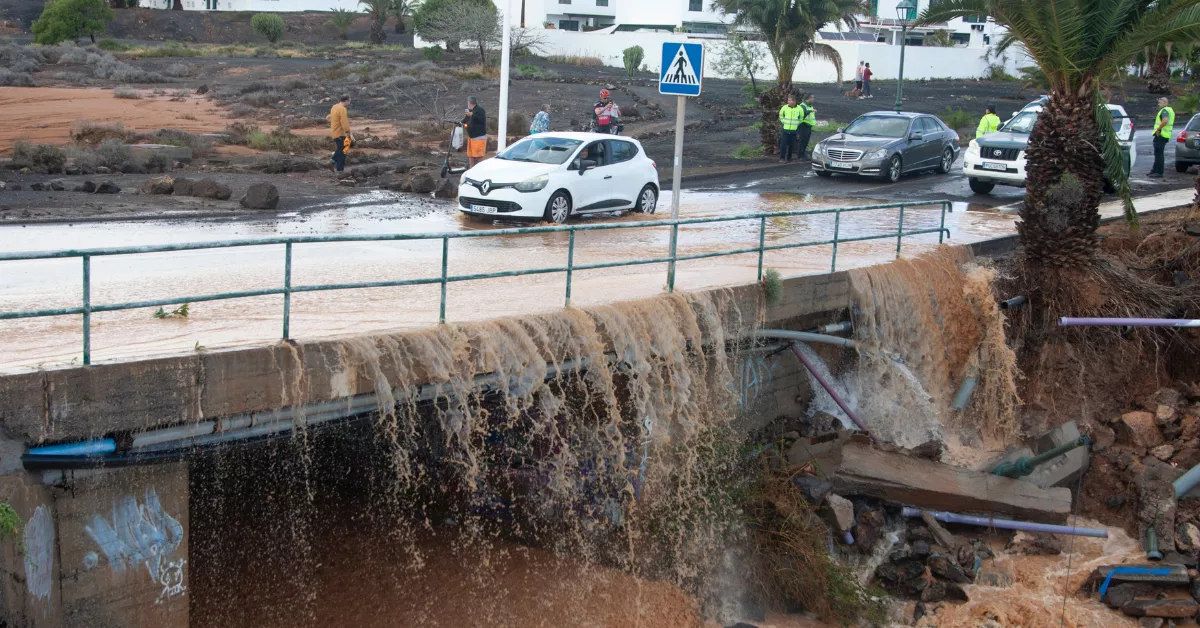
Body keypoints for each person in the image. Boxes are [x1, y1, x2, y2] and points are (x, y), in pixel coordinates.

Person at [1149, 96, 1175, 178]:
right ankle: (1154, 170)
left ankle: (1159, 172)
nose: (1159, 104)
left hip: (1161, 134)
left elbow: (1165, 120)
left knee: (1159, 154)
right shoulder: (1170, 110)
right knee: (1157, 153)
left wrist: (1159, 129)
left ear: (1165, 102)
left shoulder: (1165, 110)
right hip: (1164, 135)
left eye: (1160, 102)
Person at [328, 95, 352, 173]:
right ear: (346, 101)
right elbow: (344, 122)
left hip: (334, 132)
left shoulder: (334, 107)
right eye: (349, 101)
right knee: (343, 149)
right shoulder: (342, 109)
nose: (349, 103)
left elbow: (328, 117)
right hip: (340, 133)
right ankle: (334, 163)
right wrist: (348, 132)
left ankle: (338, 168)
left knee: (341, 149)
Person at [462, 96, 487, 168]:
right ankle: (471, 170)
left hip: (479, 137)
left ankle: (480, 171)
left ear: (470, 103)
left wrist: (472, 115)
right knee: (471, 155)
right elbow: (465, 120)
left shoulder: (480, 110)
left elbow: (481, 119)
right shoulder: (470, 111)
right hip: (471, 137)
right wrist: (458, 123)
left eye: (468, 102)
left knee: (479, 156)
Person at [778, 93, 802, 163]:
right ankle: (782, 158)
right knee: (783, 144)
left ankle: (789, 158)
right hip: (785, 129)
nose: (790, 102)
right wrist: (783, 122)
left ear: (795, 101)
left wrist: (797, 123)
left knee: (792, 145)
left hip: (794, 130)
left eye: (792, 100)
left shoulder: (799, 108)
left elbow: (801, 117)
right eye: (789, 100)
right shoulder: (784, 107)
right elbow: (781, 115)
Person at [797, 94, 816, 159]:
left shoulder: (810, 106)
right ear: (808, 99)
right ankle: (800, 156)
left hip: (809, 126)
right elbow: (804, 113)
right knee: (802, 141)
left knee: (806, 141)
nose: (813, 99)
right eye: (812, 98)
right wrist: (810, 111)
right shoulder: (803, 105)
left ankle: (803, 154)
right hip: (803, 125)